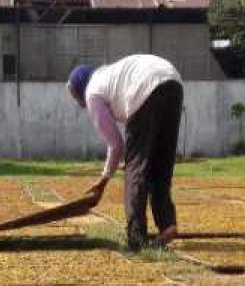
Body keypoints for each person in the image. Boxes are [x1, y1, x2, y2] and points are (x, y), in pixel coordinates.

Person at [68, 54, 183, 251]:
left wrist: (104, 180)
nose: (79, 103)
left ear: (80, 90)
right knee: (160, 165)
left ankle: (136, 238)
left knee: (135, 171)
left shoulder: (92, 93)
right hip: (173, 82)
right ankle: (167, 224)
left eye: (75, 96)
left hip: (145, 88)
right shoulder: (108, 76)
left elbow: (116, 145)